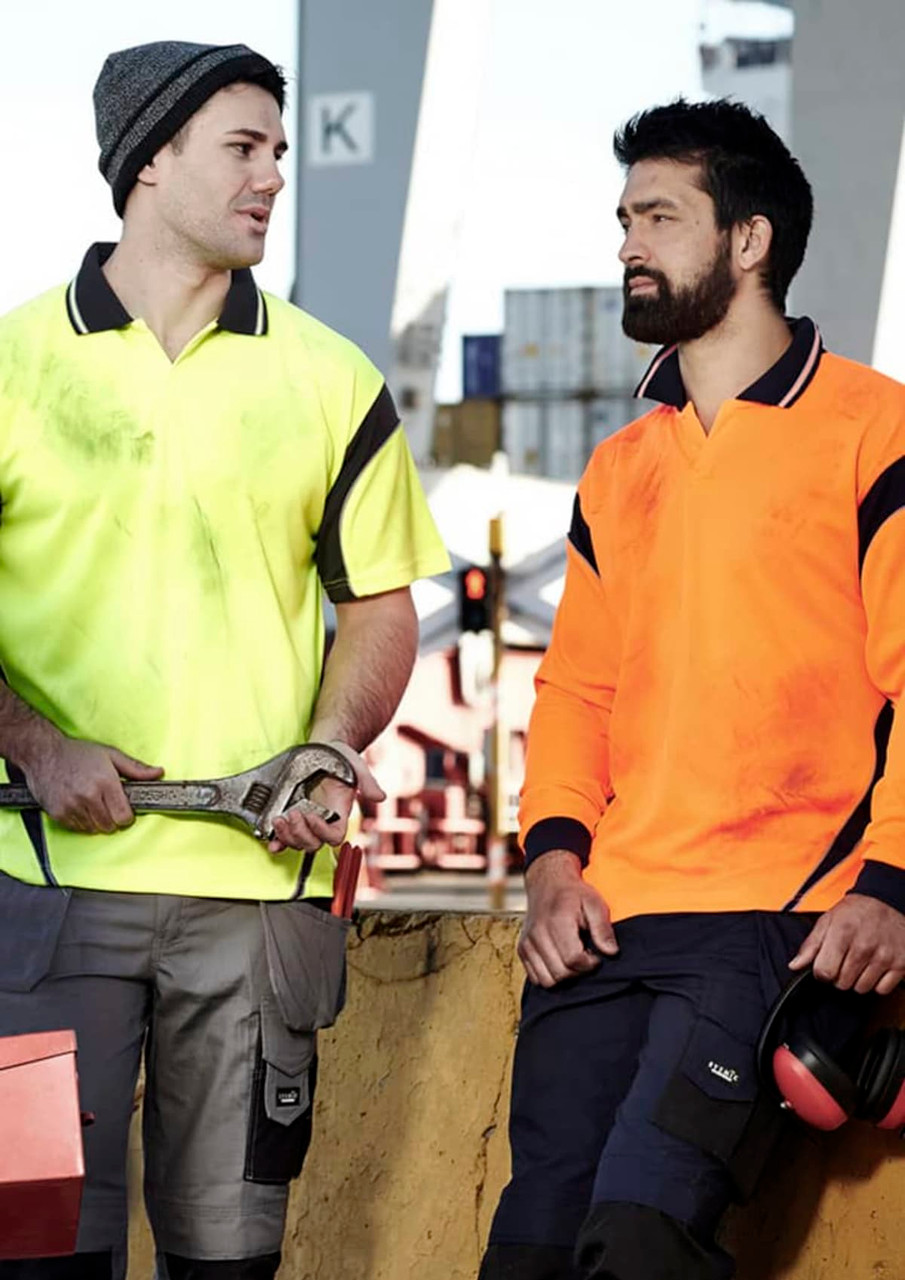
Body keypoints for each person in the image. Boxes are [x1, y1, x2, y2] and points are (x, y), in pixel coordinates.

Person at [0, 39, 448, 1280]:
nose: (271, 179)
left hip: (258, 904)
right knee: (31, 1244)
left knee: (229, 1258)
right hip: (40, 897)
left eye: (279, 154)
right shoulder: (11, 369)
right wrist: (35, 743)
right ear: (148, 160)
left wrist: (327, 744)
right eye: (242, 149)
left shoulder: (331, 378)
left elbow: (376, 605)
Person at [479, 98, 905, 1280]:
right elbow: (575, 688)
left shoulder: (873, 430)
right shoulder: (622, 467)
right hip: (607, 920)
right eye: (623, 217)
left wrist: (890, 886)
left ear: (748, 240)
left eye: (658, 216)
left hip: (779, 913)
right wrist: (552, 861)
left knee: (639, 1239)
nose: (626, 241)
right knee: (529, 1250)